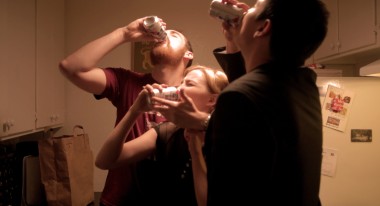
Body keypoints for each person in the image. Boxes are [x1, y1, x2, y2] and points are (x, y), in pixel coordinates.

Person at [152, 0, 329, 205]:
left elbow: (220, 196)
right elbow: (256, 99)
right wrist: (238, 39)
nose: (245, 10)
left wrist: (202, 122)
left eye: (254, 7)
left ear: (263, 27)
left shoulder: (239, 96)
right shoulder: (303, 83)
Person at [58, 16, 193, 206]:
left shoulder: (194, 97)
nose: (165, 35)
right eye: (165, 33)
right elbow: (70, 68)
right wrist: (124, 34)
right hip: (118, 200)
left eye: (175, 35)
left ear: (188, 55)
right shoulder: (126, 81)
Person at [95, 65, 229, 206]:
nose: (179, 88)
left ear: (212, 100)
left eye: (189, 84)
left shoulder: (224, 138)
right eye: (182, 82)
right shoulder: (168, 131)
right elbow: (104, 161)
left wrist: (196, 150)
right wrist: (135, 110)